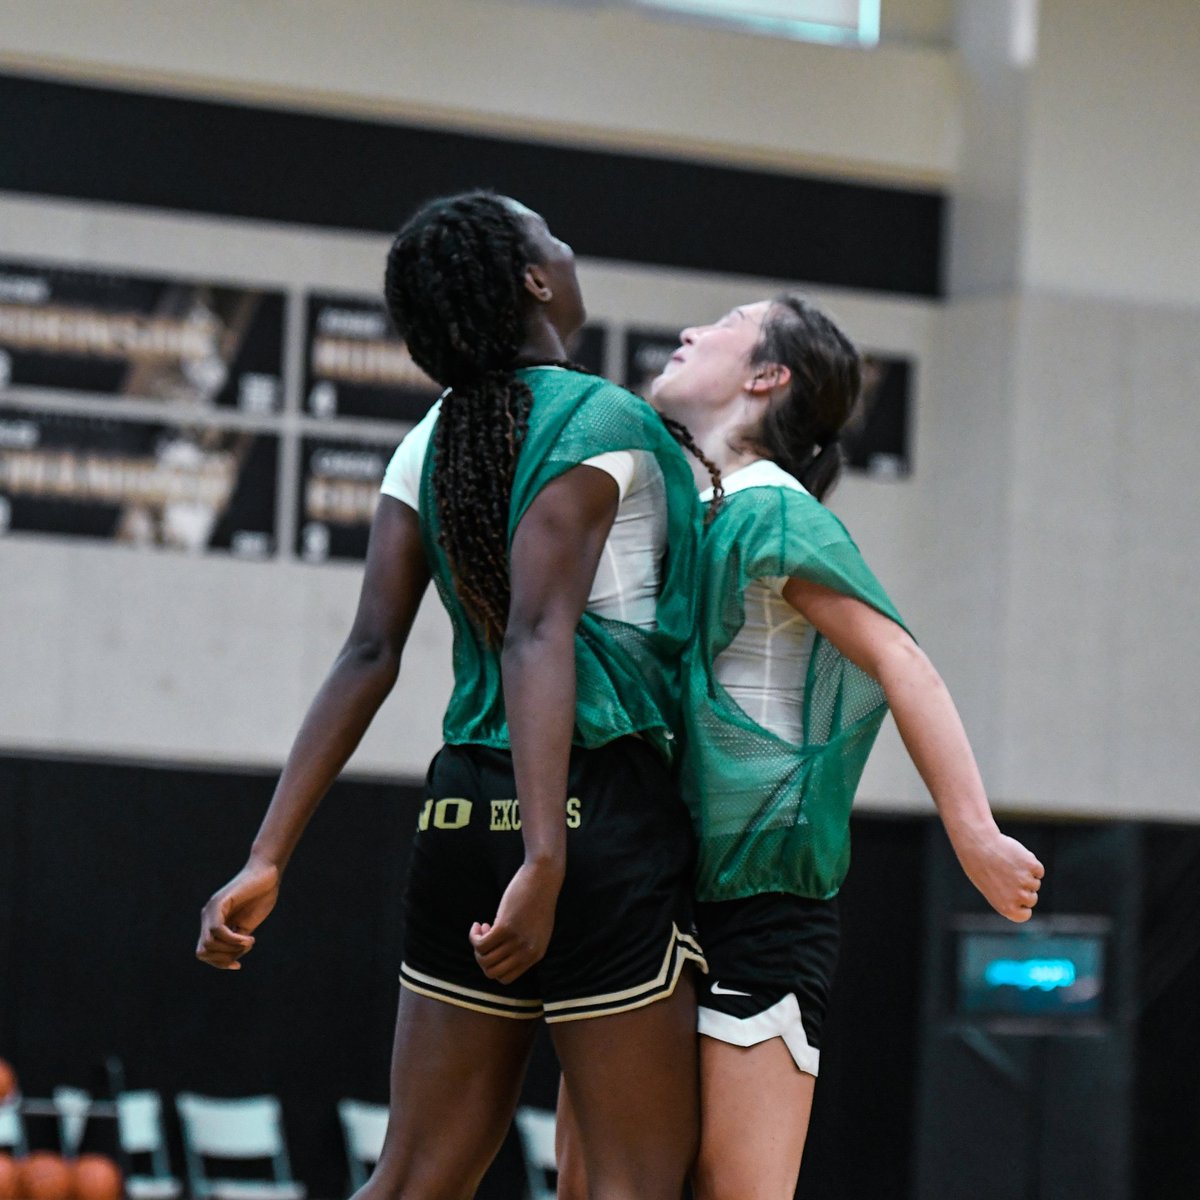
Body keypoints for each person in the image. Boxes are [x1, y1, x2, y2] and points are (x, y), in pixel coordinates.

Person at [195, 191, 709, 1200]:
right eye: (552, 237)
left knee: (412, 1178)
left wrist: (267, 857)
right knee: (634, 1184)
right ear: (532, 279)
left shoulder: (427, 437)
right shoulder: (604, 416)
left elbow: (366, 652)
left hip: (461, 808)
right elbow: (536, 630)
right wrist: (548, 857)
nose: (569, 247)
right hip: (594, 813)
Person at [557, 294, 1045, 1200]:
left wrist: (972, 830)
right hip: (642, 889)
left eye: (729, 321)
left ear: (766, 376)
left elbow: (901, 658)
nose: (694, 328)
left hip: (758, 904)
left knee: (736, 1190)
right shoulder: (669, 507)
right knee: (589, 1189)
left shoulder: (775, 513)